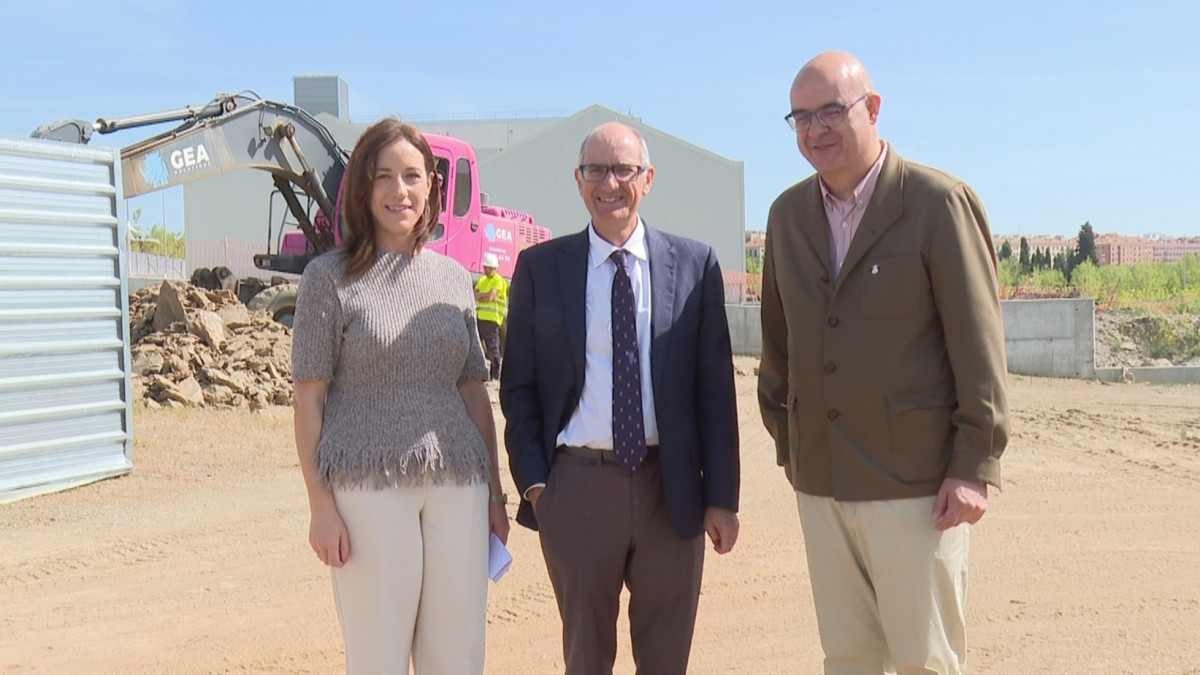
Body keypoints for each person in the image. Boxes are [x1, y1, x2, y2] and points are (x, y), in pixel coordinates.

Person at [757, 51, 1010, 674]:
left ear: (872, 109)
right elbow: (778, 343)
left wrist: (974, 463)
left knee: (925, 660)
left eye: (832, 111)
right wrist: (790, 442)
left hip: (917, 486)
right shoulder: (787, 216)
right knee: (848, 658)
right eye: (801, 117)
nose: (817, 129)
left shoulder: (937, 203)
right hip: (823, 482)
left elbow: (978, 346)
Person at [500, 121, 741, 674]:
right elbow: (519, 388)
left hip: (671, 492)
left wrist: (722, 497)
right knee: (586, 658)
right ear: (578, 181)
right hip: (577, 489)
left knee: (665, 660)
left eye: (623, 169)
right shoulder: (541, 268)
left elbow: (714, 392)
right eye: (595, 170)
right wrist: (538, 486)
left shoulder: (694, 265)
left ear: (647, 178)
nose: (609, 183)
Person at [291, 117, 510, 674]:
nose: (400, 190)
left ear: (432, 188)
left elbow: (473, 392)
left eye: (413, 176)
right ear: (363, 189)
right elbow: (309, 398)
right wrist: (321, 507)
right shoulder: (327, 278)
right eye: (383, 176)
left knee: (457, 655)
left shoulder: (454, 279)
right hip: (367, 489)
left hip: (458, 488)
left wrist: (495, 494)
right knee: (377, 657)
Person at [473, 252, 508, 380]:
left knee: (492, 348)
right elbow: (474, 295)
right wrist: (483, 296)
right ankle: (478, 374)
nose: (486, 270)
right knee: (475, 347)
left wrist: (481, 296)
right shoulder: (482, 279)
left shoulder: (499, 281)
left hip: (492, 320)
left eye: (488, 267)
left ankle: (495, 375)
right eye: (485, 267)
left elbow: (490, 297)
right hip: (480, 317)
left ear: (494, 268)